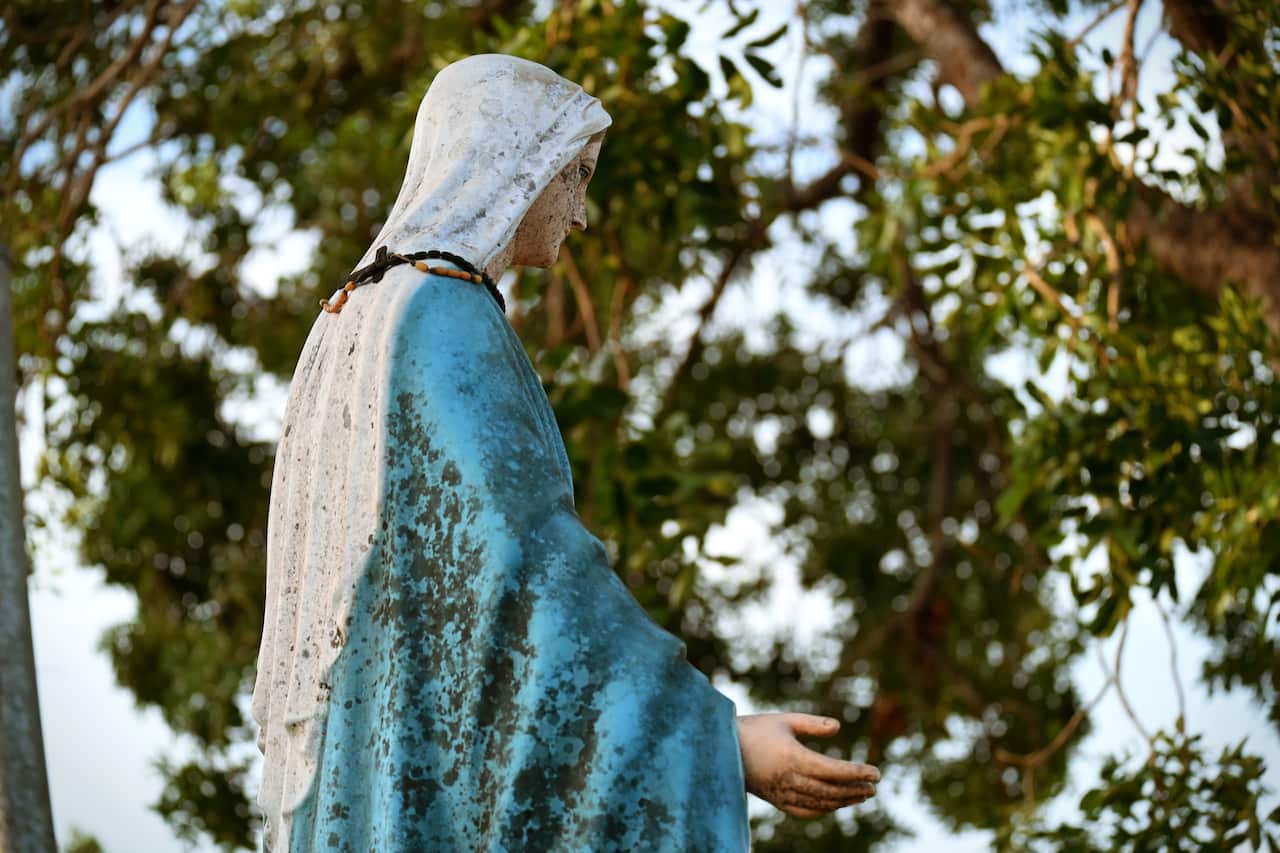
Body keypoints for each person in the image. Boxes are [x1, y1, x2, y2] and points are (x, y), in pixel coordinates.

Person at [250, 53, 879, 852]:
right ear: (513, 164)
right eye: (575, 174)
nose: (580, 214)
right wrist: (715, 740)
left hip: (364, 774)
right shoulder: (443, 312)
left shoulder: (356, 313)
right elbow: (527, 573)